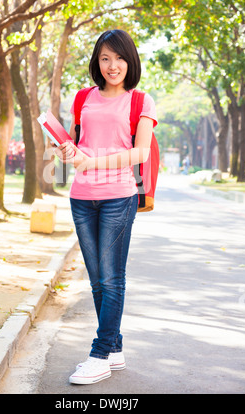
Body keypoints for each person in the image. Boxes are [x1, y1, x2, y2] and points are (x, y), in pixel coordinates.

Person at [53, 29, 157, 385]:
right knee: (97, 280)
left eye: (119, 58)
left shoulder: (142, 101)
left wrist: (90, 162)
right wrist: (64, 151)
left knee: (112, 277)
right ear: (97, 62)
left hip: (118, 196)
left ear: (131, 60)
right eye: (105, 58)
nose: (113, 66)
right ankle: (115, 348)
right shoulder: (82, 97)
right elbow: (71, 142)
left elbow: (140, 153)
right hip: (81, 198)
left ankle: (99, 354)